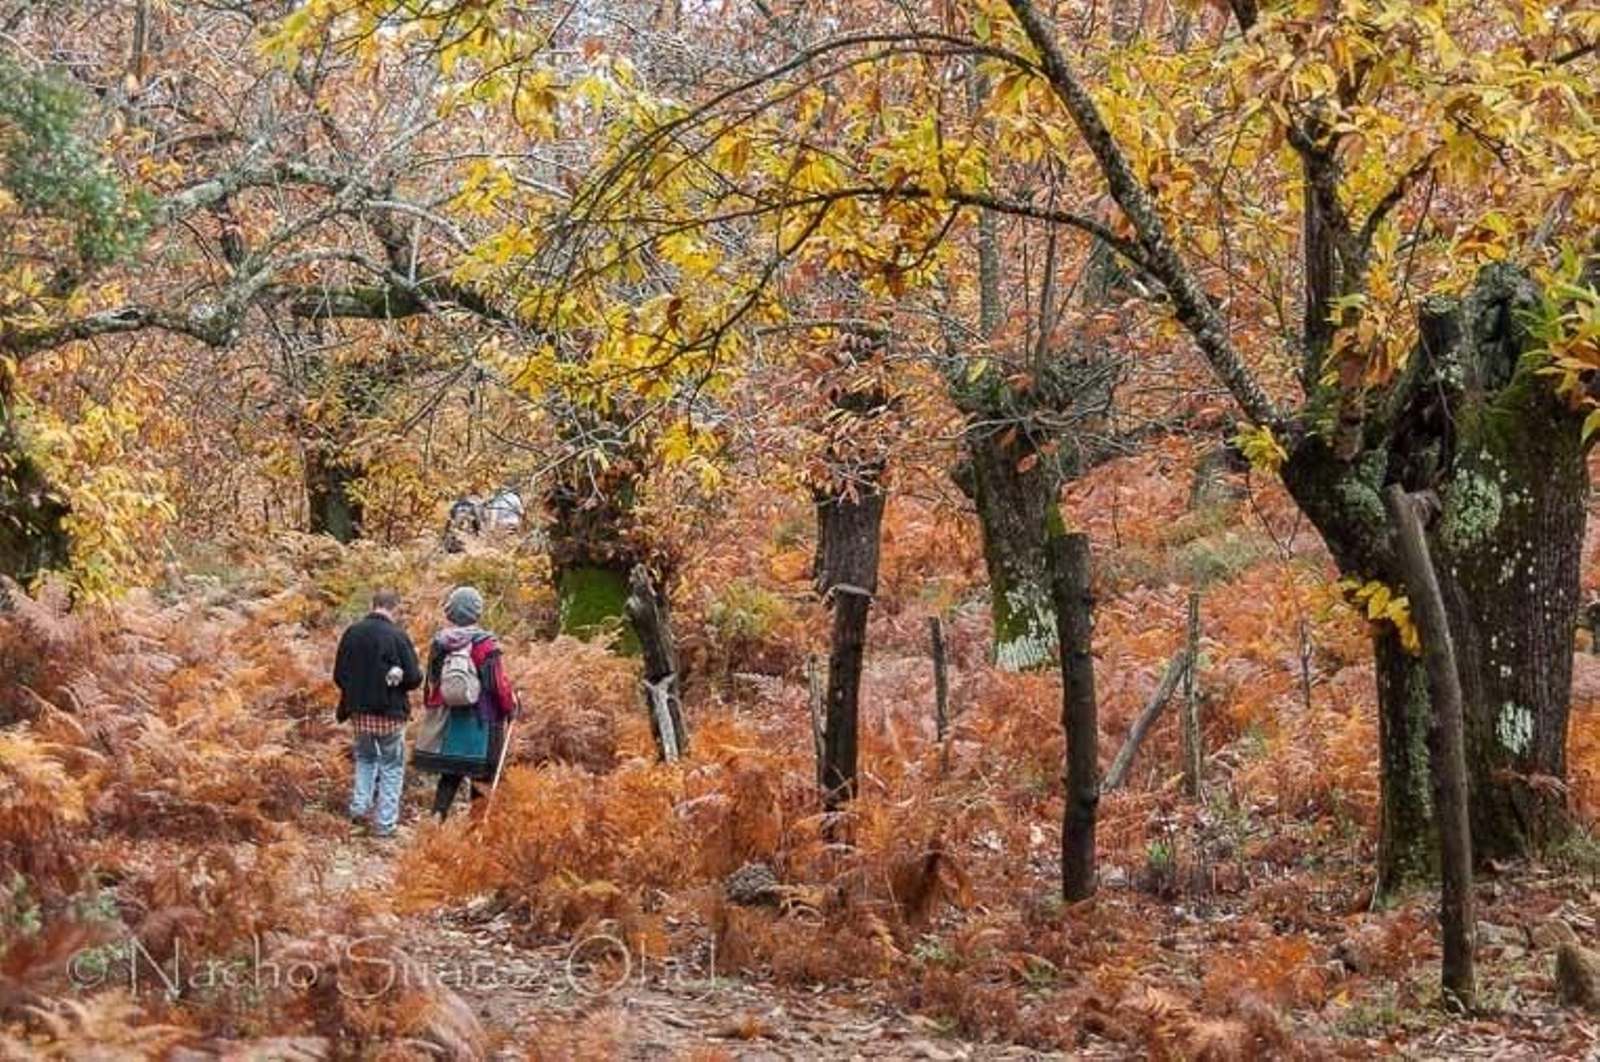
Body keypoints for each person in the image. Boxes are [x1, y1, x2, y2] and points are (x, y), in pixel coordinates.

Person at [414, 586, 517, 819]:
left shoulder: (440, 642)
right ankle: (474, 831)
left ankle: (435, 822)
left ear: (451, 611)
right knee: (481, 777)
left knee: (450, 774)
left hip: (449, 718)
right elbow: (496, 685)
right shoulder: (486, 644)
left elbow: (433, 679)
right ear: (477, 612)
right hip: (483, 719)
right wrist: (510, 707)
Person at [332, 589, 423, 837]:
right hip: (390, 714)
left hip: (359, 713)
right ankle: (385, 825)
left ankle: (359, 809)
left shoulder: (352, 633)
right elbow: (414, 678)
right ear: (395, 608)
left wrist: (357, 692)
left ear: (372, 604)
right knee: (392, 766)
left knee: (365, 758)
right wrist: (399, 679)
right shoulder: (398, 636)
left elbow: (339, 675)